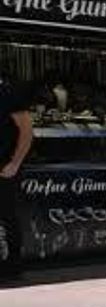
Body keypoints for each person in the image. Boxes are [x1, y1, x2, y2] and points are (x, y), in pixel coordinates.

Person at [0, 74, 33, 280]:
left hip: (5, 166)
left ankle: (12, 265)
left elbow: (27, 131)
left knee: (7, 215)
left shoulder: (7, 93)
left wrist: (15, 163)